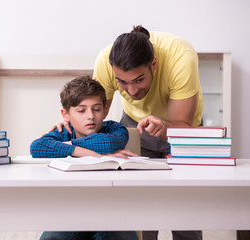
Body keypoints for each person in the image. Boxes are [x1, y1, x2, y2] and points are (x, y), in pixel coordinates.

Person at [54, 26, 203, 240]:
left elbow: (182, 122)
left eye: (139, 80)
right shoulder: (105, 60)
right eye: (122, 82)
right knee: (140, 208)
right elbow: (92, 117)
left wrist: (165, 126)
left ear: (154, 64)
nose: (132, 91)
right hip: (134, 123)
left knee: (185, 209)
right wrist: (66, 129)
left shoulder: (180, 56)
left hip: (181, 127)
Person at [30, 75, 139, 240]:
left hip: (112, 211)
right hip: (71, 211)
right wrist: (85, 152)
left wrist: (67, 145)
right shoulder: (62, 132)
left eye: (96, 109)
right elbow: (36, 147)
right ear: (65, 114)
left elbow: (107, 144)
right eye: (82, 110)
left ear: (104, 109)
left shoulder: (114, 129)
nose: (90, 116)